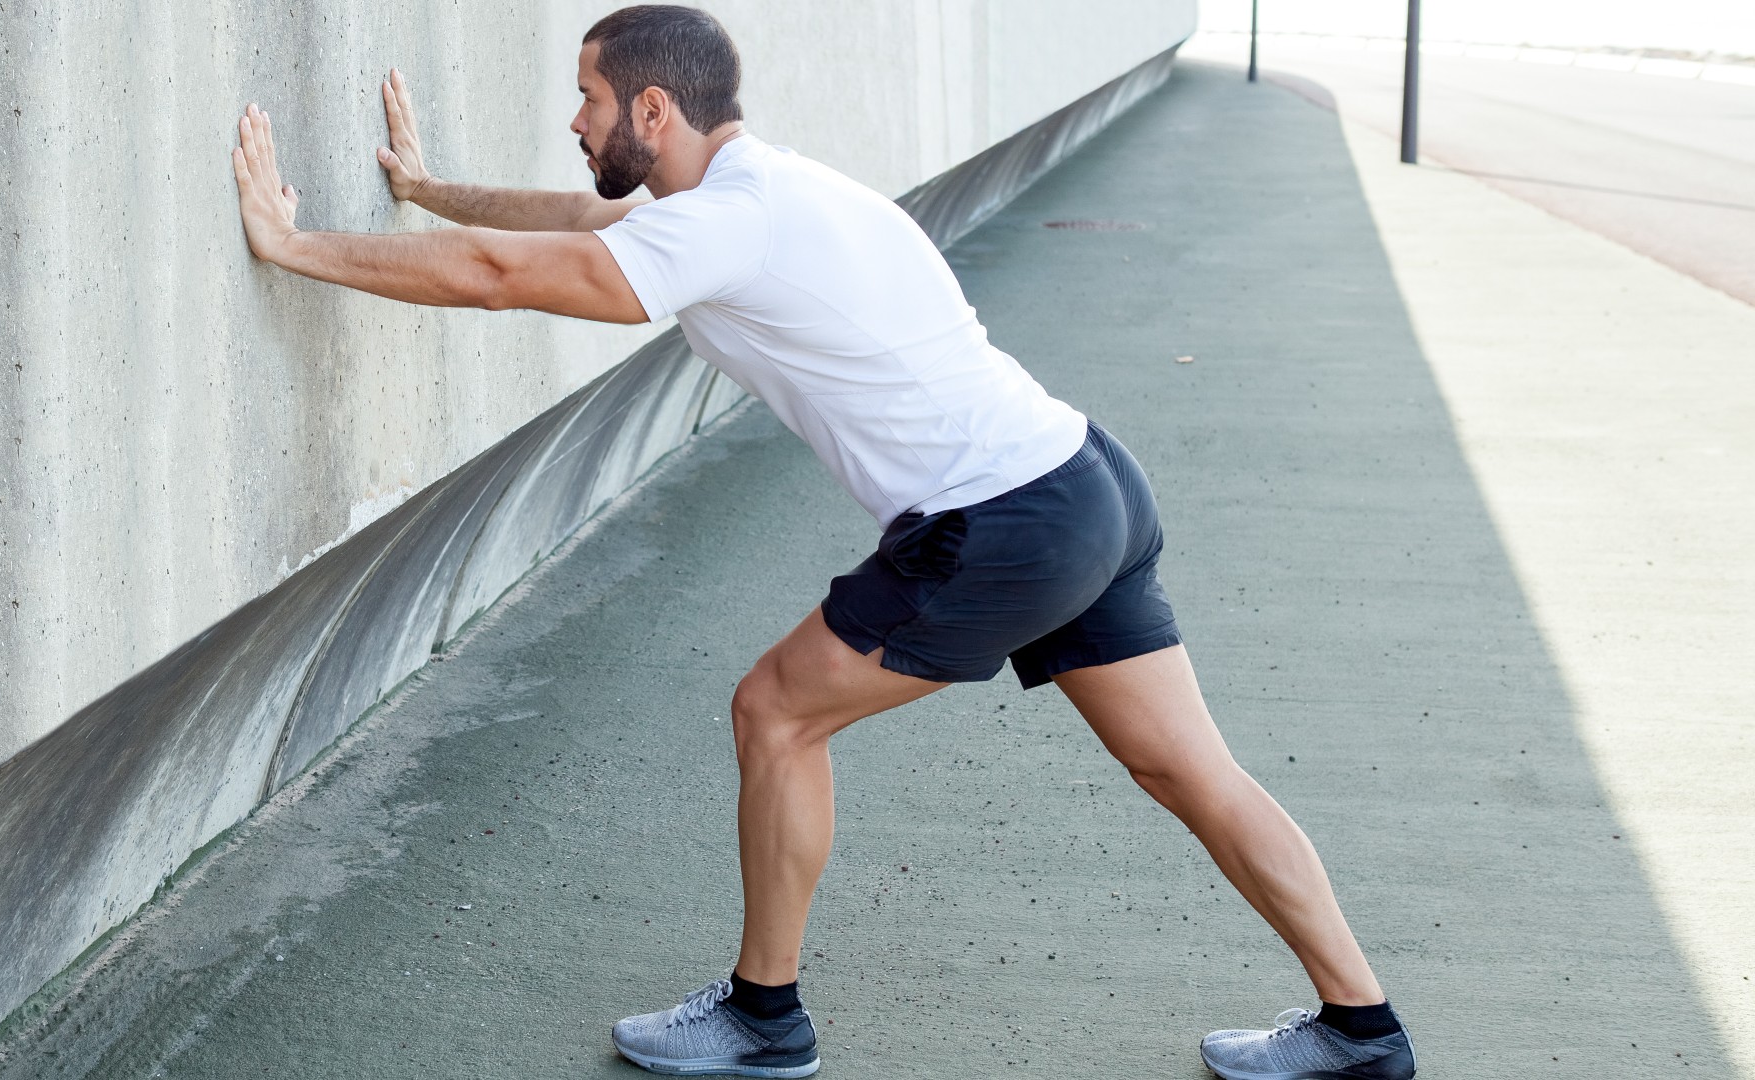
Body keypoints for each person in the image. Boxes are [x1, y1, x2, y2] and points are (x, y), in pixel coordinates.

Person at [230, 6, 1418, 1079]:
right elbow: (572, 226)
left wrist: (297, 247)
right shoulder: (764, 192)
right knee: (1187, 770)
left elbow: (505, 280)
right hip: (1086, 480)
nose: (573, 119)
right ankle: (1364, 1029)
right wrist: (432, 192)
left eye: (588, 97)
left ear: (654, 109)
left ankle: (762, 1017)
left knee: (776, 712)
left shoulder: (728, 224)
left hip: (998, 521)